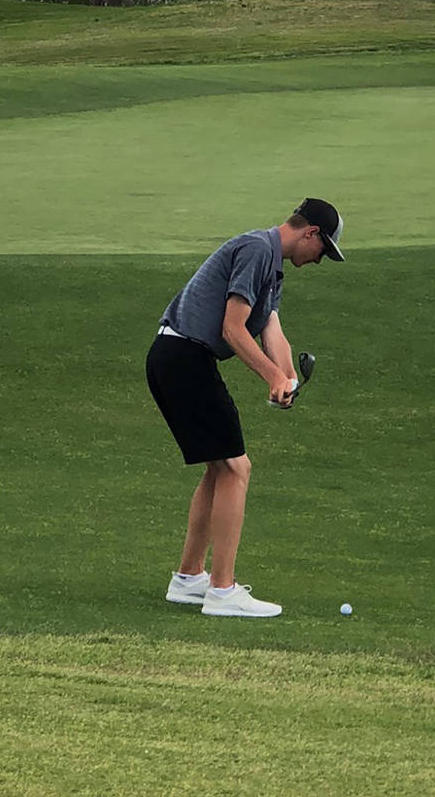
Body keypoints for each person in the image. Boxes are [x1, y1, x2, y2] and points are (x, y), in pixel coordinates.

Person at [145, 198, 345, 618]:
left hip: (177, 357)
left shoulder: (271, 268)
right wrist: (271, 377)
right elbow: (232, 329)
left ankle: (188, 579)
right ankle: (222, 591)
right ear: (310, 233)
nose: (320, 260)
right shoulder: (257, 250)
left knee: (220, 468)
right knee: (237, 468)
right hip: (184, 356)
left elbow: (272, 328)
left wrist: (286, 377)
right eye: (323, 250)